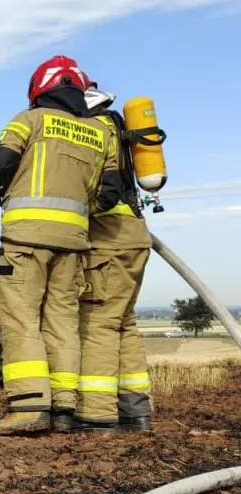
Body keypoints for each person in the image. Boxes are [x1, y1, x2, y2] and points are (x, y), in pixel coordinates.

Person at [0, 55, 119, 435]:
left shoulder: (28, 120)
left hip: (25, 240)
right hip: (74, 244)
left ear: (40, 89)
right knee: (62, 322)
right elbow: (107, 194)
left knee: (18, 319)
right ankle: (63, 408)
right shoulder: (100, 132)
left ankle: (28, 409)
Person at [64, 85, 154, 432]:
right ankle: (136, 412)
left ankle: (97, 415)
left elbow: (103, 188)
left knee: (97, 323)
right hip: (134, 236)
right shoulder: (115, 127)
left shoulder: (92, 132)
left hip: (108, 239)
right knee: (123, 323)